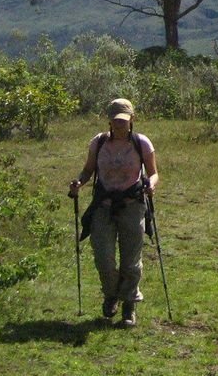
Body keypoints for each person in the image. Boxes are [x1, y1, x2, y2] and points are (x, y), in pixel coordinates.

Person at [69, 98, 159, 327]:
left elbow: (153, 173)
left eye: (124, 121)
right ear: (109, 121)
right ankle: (111, 294)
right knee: (103, 258)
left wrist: (151, 184)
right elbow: (88, 170)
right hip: (104, 205)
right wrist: (79, 182)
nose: (120, 126)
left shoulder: (142, 143)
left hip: (132, 205)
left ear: (132, 120)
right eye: (116, 121)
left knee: (131, 260)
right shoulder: (98, 143)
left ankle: (129, 304)